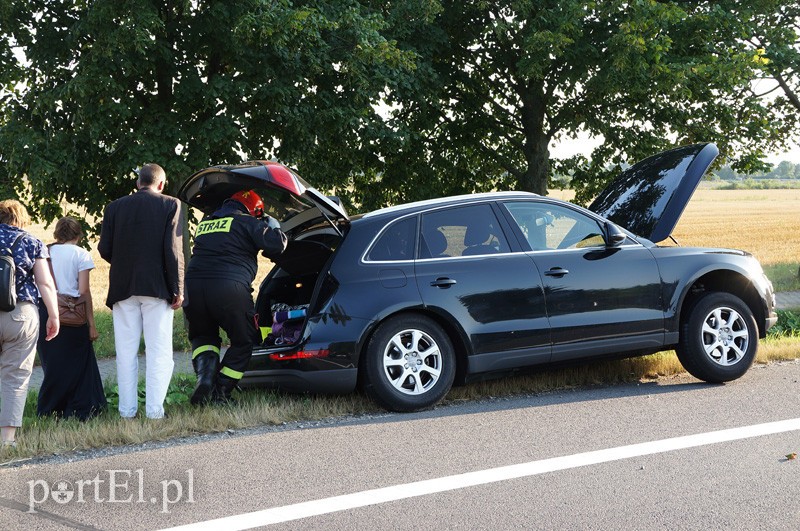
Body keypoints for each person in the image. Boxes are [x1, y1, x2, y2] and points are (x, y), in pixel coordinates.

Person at [98, 163, 184, 420]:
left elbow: (105, 249)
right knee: (159, 351)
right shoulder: (171, 204)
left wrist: (125, 263)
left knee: (125, 352)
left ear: (138, 183)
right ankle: (154, 411)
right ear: (161, 184)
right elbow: (173, 250)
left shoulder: (114, 208)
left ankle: (126, 411)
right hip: (157, 287)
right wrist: (177, 288)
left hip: (123, 286)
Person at [184, 189, 287, 405]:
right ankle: (220, 392)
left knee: (203, 338)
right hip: (228, 288)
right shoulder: (247, 222)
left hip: (193, 288)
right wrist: (273, 225)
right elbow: (276, 245)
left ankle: (205, 379)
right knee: (244, 340)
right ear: (254, 211)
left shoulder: (206, 224)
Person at [0, 200, 59, 447]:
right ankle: (7, 440)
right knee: (15, 376)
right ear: (21, 218)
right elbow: (45, 283)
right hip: (20, 314)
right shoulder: (32, 241)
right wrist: (54, 316)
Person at [36, 217, 106, 420]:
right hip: (72, 315)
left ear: (57, 234)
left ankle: (49, 410)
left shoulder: (44, 252)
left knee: (53, 364)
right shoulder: (81, 254)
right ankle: (80, 409)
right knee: (79, 364)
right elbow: (83, 291)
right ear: (78, 235)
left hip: (45, 311)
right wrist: (91, 324)